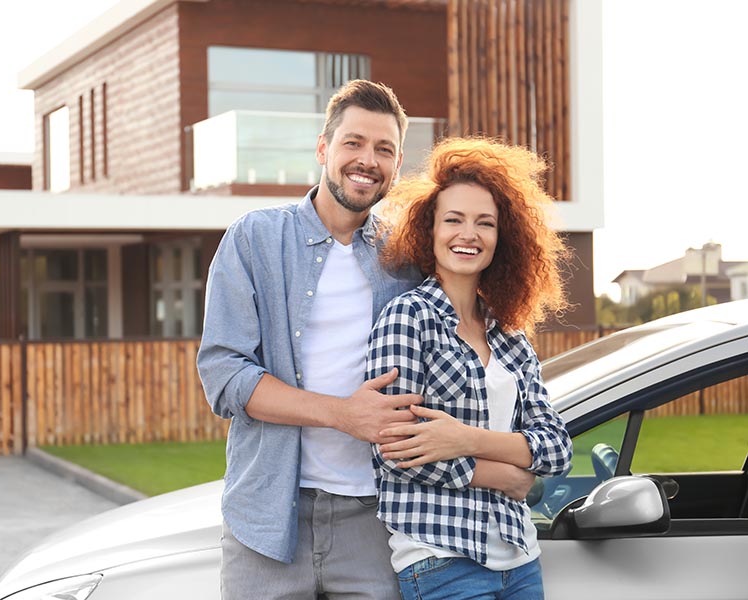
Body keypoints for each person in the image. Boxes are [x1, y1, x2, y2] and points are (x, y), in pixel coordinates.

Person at [197, 80, 422, 599]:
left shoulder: (407, 257)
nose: (367, 160)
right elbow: (225, 376)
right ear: (324, 148)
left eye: (383, 149)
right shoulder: (254, 239)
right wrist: (342, 414)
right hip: (270, 516)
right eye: (354, 143)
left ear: (397, 162)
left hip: (378, 520)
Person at [365, 137, 573, 600]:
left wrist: (466, 441)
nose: (469, 234)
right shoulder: (408, 319)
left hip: (520, 559)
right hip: (440, 558)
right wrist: (505, 472)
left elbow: (557, 449)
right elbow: (394, 451)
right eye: (453, 220)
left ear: (504, 238)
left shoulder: (510, 335)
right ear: (429, 229)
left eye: (485, 223)